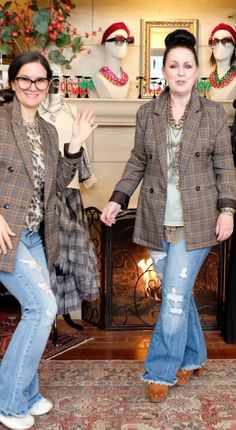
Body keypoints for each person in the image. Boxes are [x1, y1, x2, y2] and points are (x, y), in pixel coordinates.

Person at [101, 29, 236, 403]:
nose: (180, 72)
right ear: (164, 69)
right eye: (173, 65)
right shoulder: (148, 112)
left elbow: (226, 166)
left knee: (174, 296)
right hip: (154, 219)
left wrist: (228, 210)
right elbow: (137, 162)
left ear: (196, 72)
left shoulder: (213, 113)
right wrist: (116, 198)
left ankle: (160, 371)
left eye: (187, 66)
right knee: (179, 297)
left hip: (197, 220)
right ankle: (193, 357)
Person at [0, 51, 96, 430]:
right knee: (42, 309)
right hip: (7, 235)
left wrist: (73, 146)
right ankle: (8, 402)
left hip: (36, 235)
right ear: (12, 83)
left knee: (41, 310)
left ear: (49, 85)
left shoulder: (47, 131)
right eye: (25, 79)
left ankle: (25, 392)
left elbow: (53, 189)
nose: (33, 87)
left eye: (41, 80)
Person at [93, 22, 134, 99]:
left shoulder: (127, 80)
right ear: (105, 44)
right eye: (119, 40)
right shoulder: (99, 77)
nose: (125, 45)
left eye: (127, 41)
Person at [208, 23, 236, 102]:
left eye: (227, 41)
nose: (219, 45)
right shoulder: (208, 79)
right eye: (214, 41)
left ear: (234, 47)